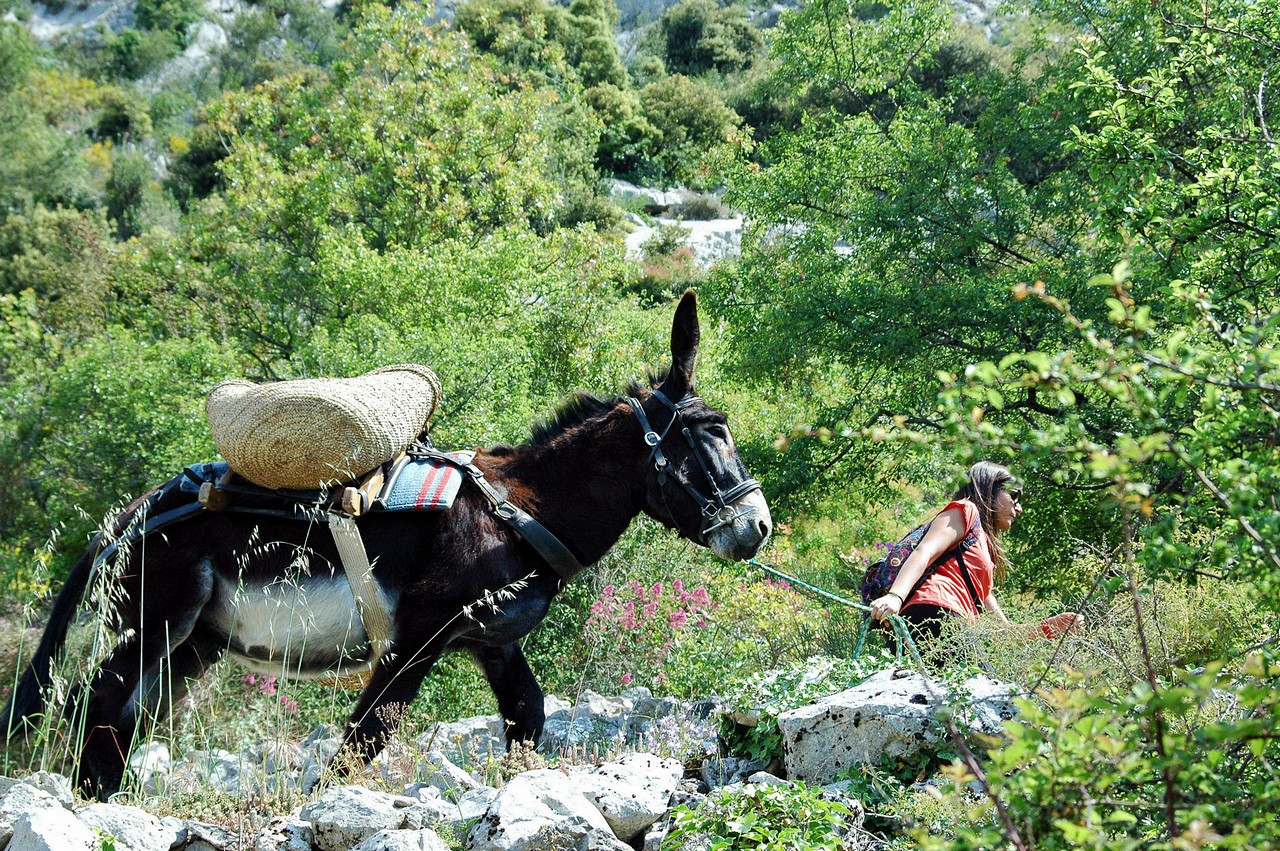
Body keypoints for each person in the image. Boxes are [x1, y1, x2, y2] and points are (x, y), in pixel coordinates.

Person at [869, 461, 1083, 652]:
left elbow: (1004, 635)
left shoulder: (980, 563)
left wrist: (1050, 627)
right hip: (933, 615)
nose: (1019, 508)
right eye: (1014, 495)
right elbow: (925, 551)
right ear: (989, 488)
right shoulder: (966, 510)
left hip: (954, 624)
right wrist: (895, 597)